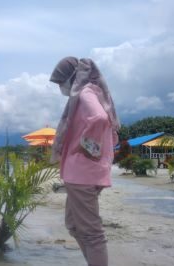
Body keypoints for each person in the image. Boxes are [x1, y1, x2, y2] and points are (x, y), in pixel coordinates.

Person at [50, 57, 120, 266]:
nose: (61, 88)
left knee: (91, 233)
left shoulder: (85, 93)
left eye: (60, 83)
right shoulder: (92, 92)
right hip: (82, 173)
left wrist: (86, 145)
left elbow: (99, 119)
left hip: (82, 173)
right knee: (73, 225)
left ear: (70, 78)